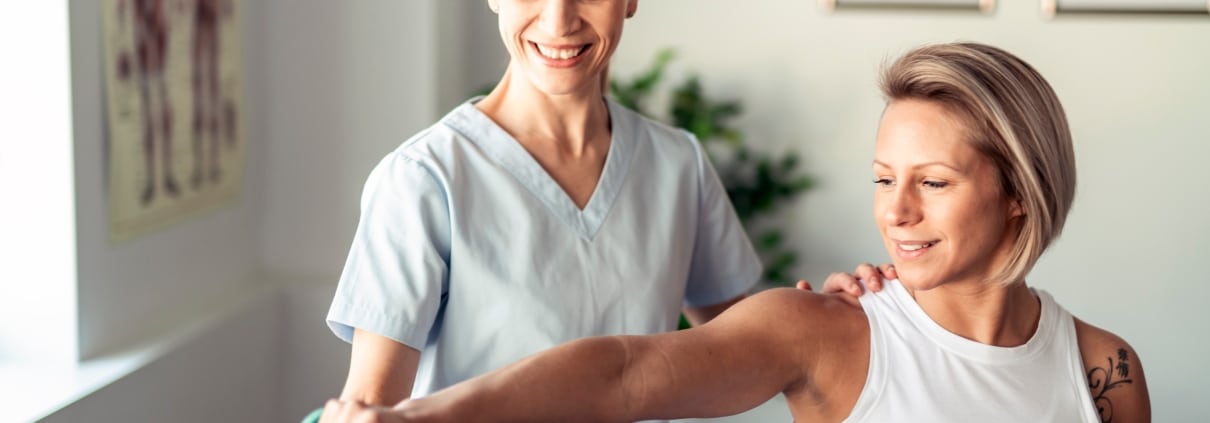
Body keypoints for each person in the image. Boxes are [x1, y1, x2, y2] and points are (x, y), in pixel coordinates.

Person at [319, 42, 1152, 423]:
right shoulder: (425, 175)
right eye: (882, 180)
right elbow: (628, 370)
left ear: (1020, 194)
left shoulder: (1103, 370)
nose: (894, 212)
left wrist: (792, 317)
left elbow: (724, 322)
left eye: (931, 183)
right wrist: (427, 419)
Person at [321, 0, 800, 413]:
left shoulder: (678, 165)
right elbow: (373, 404)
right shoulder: (423, 179)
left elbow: (751, 350)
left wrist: (834, 309)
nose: (558, 22)